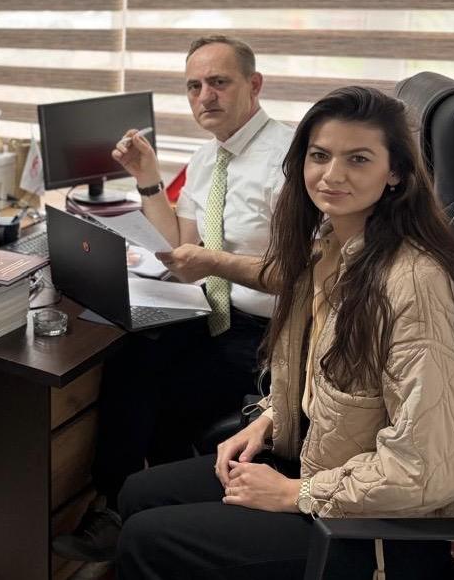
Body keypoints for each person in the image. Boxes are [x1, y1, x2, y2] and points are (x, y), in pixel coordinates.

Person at [114, 87, 454, 579]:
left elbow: (429, 468)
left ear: (395, 173)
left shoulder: (414, 284)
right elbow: (327, 375)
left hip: (375, 526)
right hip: (324, 460)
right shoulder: (332, 247)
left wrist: (293, 493)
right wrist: (268, 419)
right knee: (139, 493)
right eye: (320, 156)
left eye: (358, 159)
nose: (332, 175)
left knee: (147, 539)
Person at [54, 35, 293, 561]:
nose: (205, 96)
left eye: (219, 82)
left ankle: (154, 518)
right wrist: (147, 179)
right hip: (209, 311)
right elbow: (180, 245)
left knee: (164, 395)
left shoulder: (289, 160)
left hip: (266, 334)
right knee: (129, 357)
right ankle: (118, 504)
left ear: (254, 85)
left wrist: (213, 262)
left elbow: (301, 276)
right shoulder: (208, 157)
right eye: (193, 86)